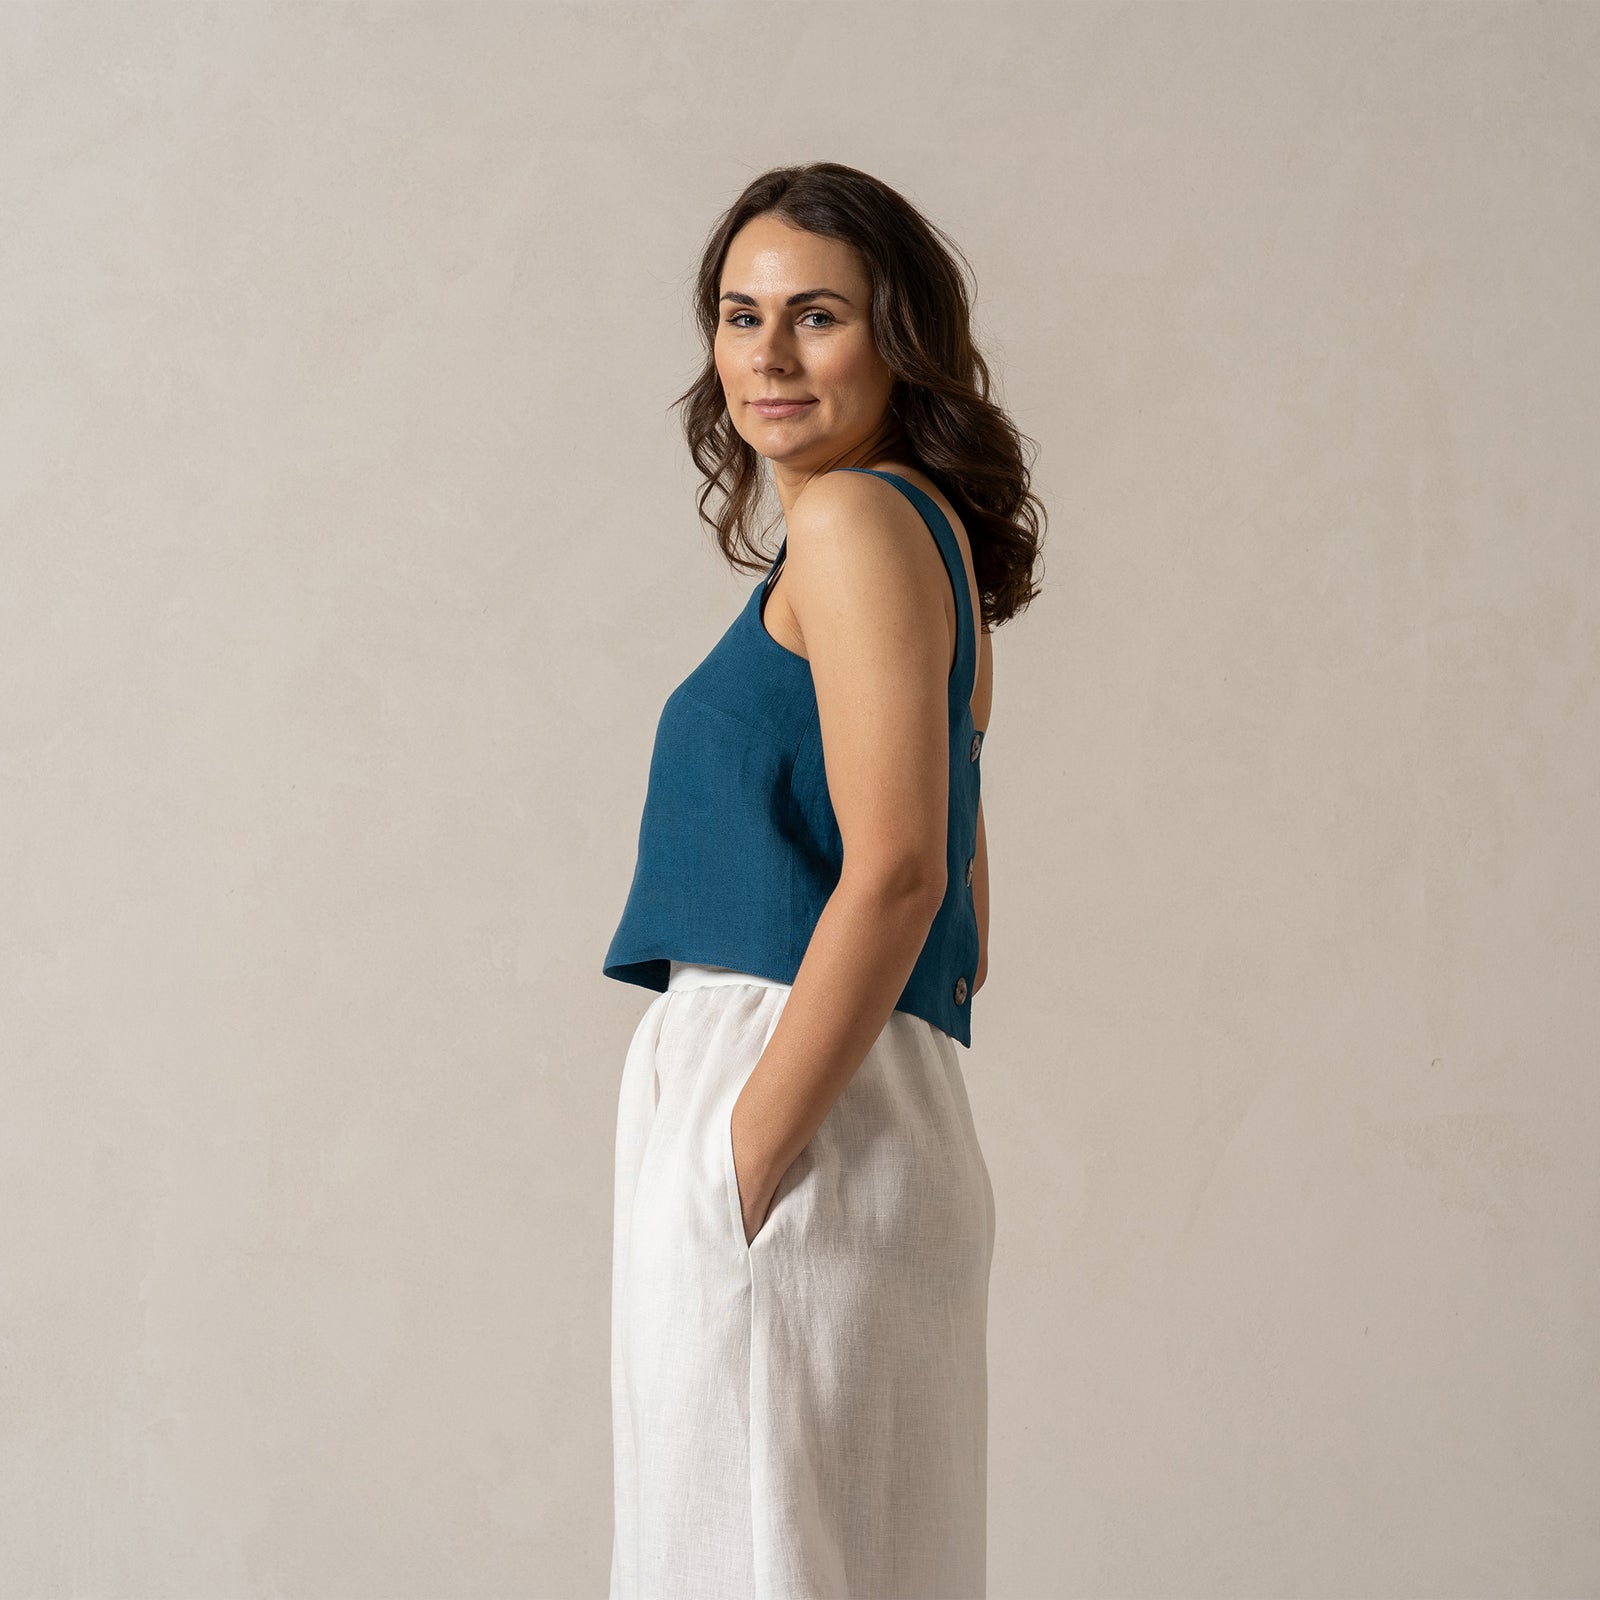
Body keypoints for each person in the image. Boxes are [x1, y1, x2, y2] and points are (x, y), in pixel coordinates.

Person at [601, 161, 1045, 1600]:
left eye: (817, 316)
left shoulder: (853, 522)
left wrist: (737, 1156)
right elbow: (966, 916)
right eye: (742, 315)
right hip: (868, 1112)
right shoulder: (927, 542)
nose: (769, 356)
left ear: (897, 338)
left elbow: (906, 874)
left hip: (795, 1104)